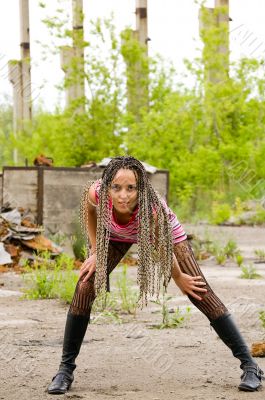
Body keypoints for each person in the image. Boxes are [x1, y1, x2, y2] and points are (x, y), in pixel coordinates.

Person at [47, 156, 264, 395]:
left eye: (131, 188)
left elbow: (162, 247)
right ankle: (65, 370)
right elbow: (88, 211)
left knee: (199, 292)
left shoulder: (152, 208)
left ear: (141, 189)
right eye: (116, 188)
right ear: (107, 185)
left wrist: (180, 278)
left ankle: (250, 366)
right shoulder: (95, 192)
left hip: (164, 236)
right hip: (115, 235)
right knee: (85, 286)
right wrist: (97, 251)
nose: (123, 196)